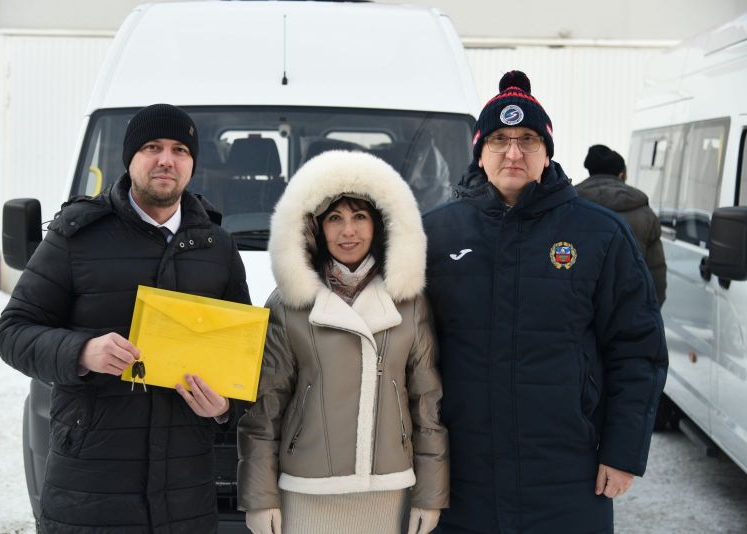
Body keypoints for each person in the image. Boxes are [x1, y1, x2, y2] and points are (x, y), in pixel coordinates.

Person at [423, 71, 668, 533]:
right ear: (480, 152)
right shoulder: (435, 233)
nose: (513, 152)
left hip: (568, 477)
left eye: (528, 140)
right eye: (499, 139)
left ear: (548, 151)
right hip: (461, 477)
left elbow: (638, 349)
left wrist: (623, 452)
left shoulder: (599, 233)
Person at [0, 103, 250, 533]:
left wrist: (227, 406)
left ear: (192, 164)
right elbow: (13, 332)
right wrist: (81, 351)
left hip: (185, 496)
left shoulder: (218, 247)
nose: (166, 159)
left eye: (180, 150)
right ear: (130, 157)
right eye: (152, 147)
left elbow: (246, 359)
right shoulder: (75, 237)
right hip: (90, 489)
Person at [237, 150, 448, 534]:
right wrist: (260, 497)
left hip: (389, 489)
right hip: (306, 489)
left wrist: (430, 495)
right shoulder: (289, 303)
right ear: (315, 227)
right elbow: (265, 409)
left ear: (379, 224)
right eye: (334, 218)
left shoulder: (409, 302)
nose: (347, 231)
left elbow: (427, 406)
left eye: (359, 217)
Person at [576, 144, 667, 305]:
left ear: (590, 172)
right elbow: (656, 271)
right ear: (621, 174)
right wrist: (651, 309)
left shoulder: (569, 207)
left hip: (579, 307)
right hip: (629, 308)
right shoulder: (645, 213)